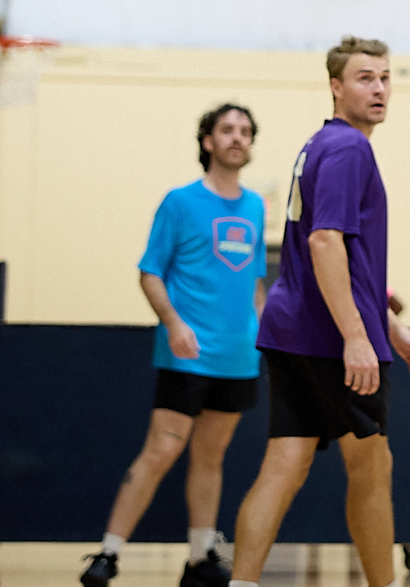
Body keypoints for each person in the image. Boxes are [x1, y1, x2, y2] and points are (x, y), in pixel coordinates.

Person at [227, 37, 410, 587]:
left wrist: (391, 328)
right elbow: (325, 242)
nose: (379, 89)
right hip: (328, 339)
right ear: (335, 86)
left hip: (291, 330)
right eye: (365, 78)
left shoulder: (320, 145)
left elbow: (343, 260)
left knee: (284, 466)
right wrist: (356, 336)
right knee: (372, 469)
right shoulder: (350, 148)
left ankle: (242, 582)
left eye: (385, 78)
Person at [82, 106, 267, 587]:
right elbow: (150, 272)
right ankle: (109, 553)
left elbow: (255, 283)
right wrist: (174, 324)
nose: (237, 138)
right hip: (186, 356)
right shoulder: (180, 202)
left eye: (245, 131)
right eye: (227, 130)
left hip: (237, 359)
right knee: (161, 451)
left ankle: (200, 557)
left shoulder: (255, 207)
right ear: (207, 141)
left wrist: (262, 332)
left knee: (210, 458)